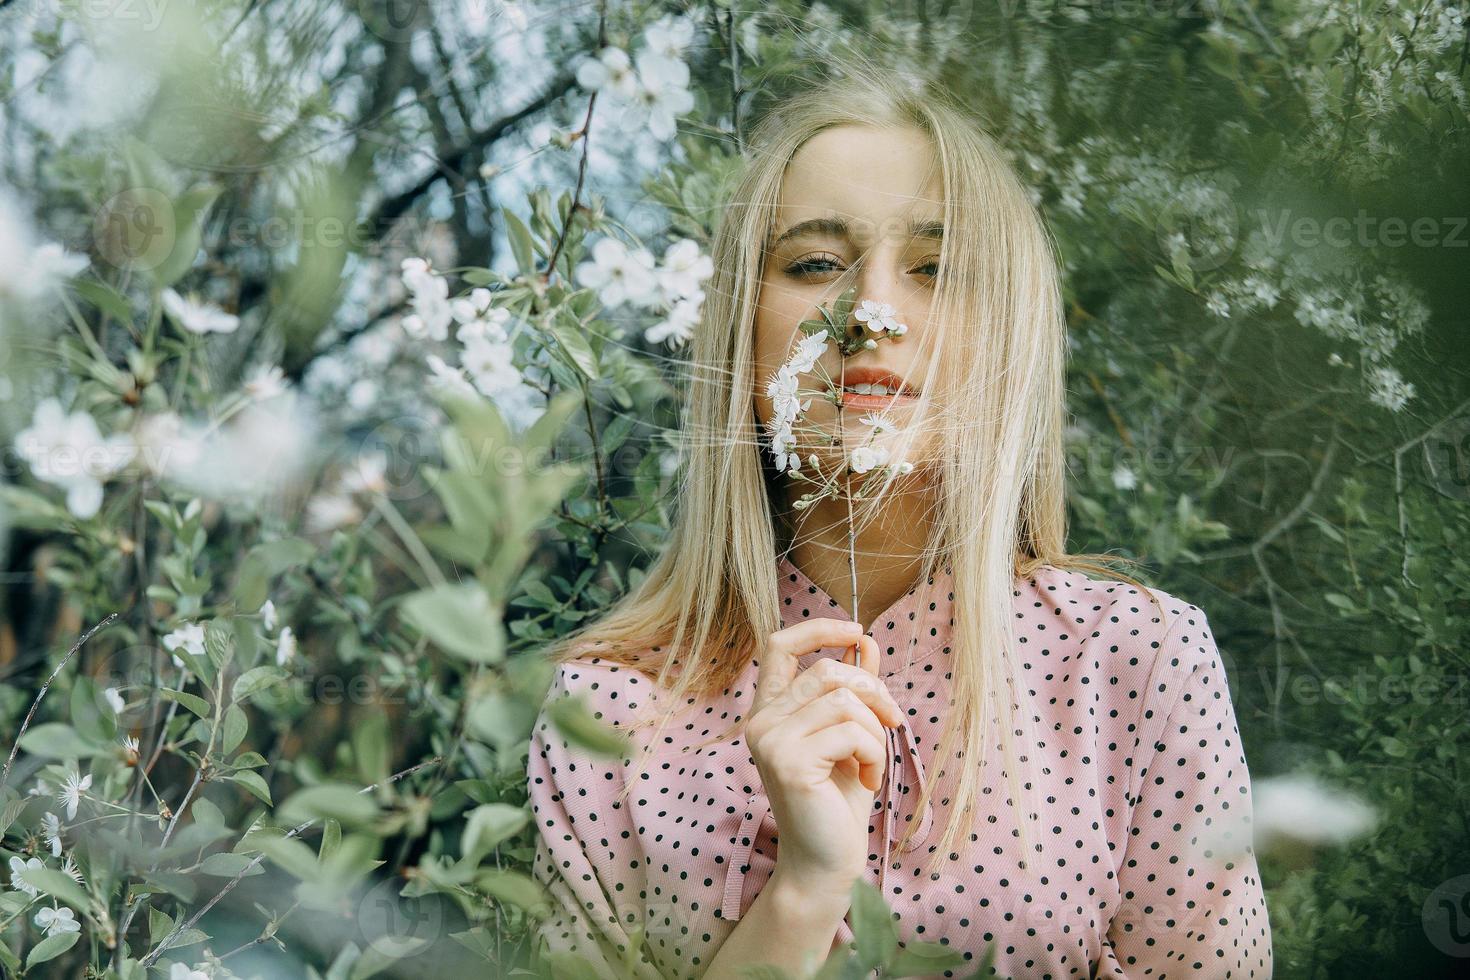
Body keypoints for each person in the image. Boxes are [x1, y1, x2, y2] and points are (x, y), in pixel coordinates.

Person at [524, 65, 1273, 980]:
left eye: (936, 268)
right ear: (741, 322)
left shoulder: (1138, 663)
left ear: (1008, 333)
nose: (869, 311)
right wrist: (801, 894)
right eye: (814, 263)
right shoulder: (610, 707)